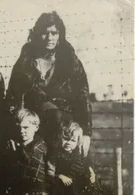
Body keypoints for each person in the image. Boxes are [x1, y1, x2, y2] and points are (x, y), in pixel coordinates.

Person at [6, 11, 92, 157]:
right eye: (45, 33)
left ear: (60, 35)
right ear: (37, 34)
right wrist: (13, 132)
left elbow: (82, 97)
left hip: (64, 125)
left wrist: (86, 133)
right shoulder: (26, 61)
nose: (49, 38)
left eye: (54, 33)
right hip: (34, 125)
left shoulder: (70, 61)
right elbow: (13, 96)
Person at [49, 121, 106, 195]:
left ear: (78, 142)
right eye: (65, 139)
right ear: (60, 137)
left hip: (79, 192)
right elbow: (50, 172)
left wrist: (92, 175)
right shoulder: (57, 155)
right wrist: (60, 176)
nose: (68, 142)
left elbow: (88, 169)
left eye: (73, 140)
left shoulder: (80, 155)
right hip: (63, 192)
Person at [6, 109, 54, 195]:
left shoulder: (42, 145)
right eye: (19, 128)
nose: (22, 131)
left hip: (41, 191)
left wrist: (50, 185)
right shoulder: (14, 146)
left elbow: (50, 166)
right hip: (23, 192)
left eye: (26, 127)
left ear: (36, 127)